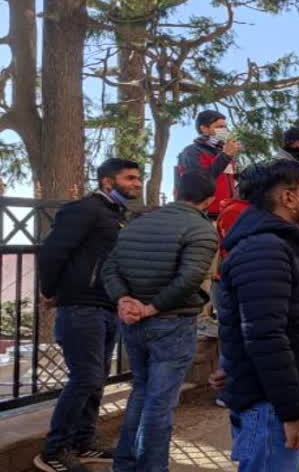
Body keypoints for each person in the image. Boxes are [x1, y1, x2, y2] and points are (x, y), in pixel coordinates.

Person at [216, 160, 299, 471]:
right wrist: (293, 413)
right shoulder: (265, 247)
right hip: (270, 404)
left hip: (273, 398)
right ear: (287, 197)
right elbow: (264, 334)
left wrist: (230, 365)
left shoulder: (278, 242)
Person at [101, 172, 219, 472]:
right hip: (171, 323)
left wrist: (123, 300)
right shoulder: (202, 229)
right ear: (210, 200)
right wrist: (150, 308)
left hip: (134, 324)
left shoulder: (138, 222)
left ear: (176, 191)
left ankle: (125, 464)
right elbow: (190, 278)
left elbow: (110, 267)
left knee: (141, 391)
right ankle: (152, 467)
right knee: (160, 402)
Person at [35, 158, 142, 472]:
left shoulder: (116, 215)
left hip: (106, 306)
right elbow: (53, 251)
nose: (136, 183)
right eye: (130, 178)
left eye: (138, 178)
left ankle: (83, 442)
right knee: (86, 377)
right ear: (108, 182)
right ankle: (54, 451)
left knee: (97, 380)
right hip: (80, 306)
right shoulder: (84, 209)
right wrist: (51, 292)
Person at [176, 109, 241, 219]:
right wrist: (225, 156)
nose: (224, 131)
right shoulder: (192, 151)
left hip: (227, 212)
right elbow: (198, 182)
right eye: (219, 127)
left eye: (225, 127)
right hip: (204, 214)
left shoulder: (223, 153)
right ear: (204, 129)